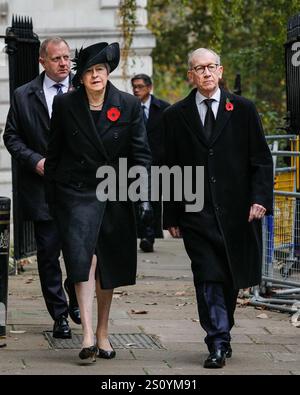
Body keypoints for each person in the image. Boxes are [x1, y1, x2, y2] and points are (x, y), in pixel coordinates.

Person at [163, 48, 273, 369]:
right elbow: (170, 167)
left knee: (229, 278)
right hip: (195, 211)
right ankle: (217, 340)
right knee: (207, 275)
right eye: (199, 68)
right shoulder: (175, 115)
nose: (206, 73)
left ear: (221, 71)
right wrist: (170, 214)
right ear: (191, 76)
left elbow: (260, 161)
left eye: (211, 67)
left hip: (238, 213)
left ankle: (223, 328)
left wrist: (260, 199)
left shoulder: (243, 110)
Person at [44, 42, 152, 362]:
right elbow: (55, 154)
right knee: (83, 259)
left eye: (100, 70)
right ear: (82, 77)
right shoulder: (65, 105)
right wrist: (53, 197)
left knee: (107, 267)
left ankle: (104, 332)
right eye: (89, 71)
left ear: (108, 73)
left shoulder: (128, 105)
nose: (95, 76)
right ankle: (88, 334)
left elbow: (141, 155)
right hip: (75, 193)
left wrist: (141, 194)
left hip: (115, 193)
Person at [3, 37, 80, 339]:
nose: (64, 63)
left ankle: (76, 296)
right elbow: (11, 137)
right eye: (57, 58)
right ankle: (59, 315)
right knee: (48, 255)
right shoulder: (24, 95)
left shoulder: (83, 88)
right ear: (42, 62)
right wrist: (34, 161)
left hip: (78, 190)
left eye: (67, 57)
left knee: (80, 252)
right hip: (42, 190)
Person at [131, 74, 170, 252]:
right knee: (137, 198)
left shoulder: (163, 109)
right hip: (136, 163)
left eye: (140, 86)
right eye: (134, 87)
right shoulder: (129, 107)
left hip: (158, 163)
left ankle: (150, 236)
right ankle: (143, 234)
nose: (136, 90)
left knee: (154, 200)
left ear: (149, 87)